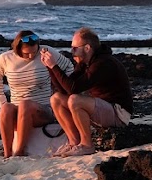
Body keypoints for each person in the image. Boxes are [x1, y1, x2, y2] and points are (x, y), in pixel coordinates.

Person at [41, 27, 133, 157]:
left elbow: (73, 89)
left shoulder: (103, 63)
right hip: (102, 109)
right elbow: (64, 90)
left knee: (75, 100)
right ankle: (74, 142)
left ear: (87, 48)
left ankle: (86, 145)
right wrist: (50, 67)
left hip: (118, 114)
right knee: (56, 98)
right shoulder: (86, 63)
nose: (72, 52)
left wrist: (54, 66)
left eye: (74, 48)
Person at [0, 30, 70, 158]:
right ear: (17, 49)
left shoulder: (46, 52)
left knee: (25, 105)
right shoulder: (5, 58)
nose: (31, 56)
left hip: (43, 110)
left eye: (34, 52)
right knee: (6, 108)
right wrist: (2, 101)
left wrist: (63, 91)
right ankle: (7, 153)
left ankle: (19, 152)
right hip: (19, 111)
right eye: (27, 53)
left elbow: (69, 67)